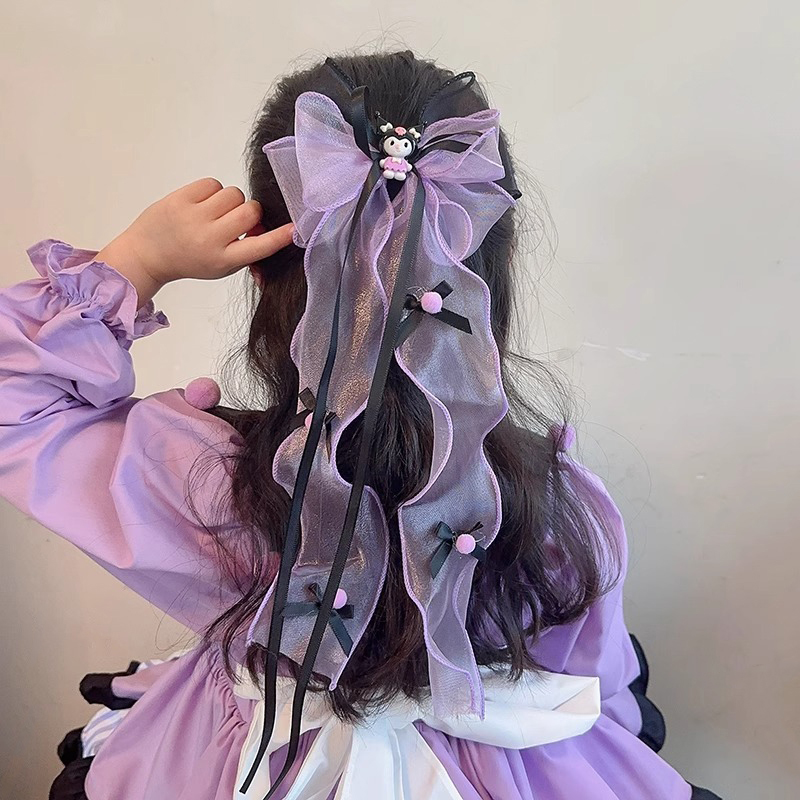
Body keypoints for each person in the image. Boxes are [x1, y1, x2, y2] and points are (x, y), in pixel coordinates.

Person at [0, 51, 722, 800]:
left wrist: (137, 263)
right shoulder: (561, 504)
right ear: (491, 269)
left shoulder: (196, 477)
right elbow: (593, 682)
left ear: (262, 270)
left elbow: (16, 399)